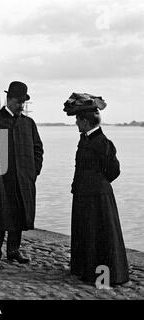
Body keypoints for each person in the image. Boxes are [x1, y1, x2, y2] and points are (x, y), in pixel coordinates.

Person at [0, 81, 44, 269]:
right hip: (1, 178)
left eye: (24, 102)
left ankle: (13, 250)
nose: (22, 106)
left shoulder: (28, 123)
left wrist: (33, 171)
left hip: (24, 179)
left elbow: (38, 149)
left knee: (19, 214)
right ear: (9, 99)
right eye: (19, 102)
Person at [63, 93, 129, 285]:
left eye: (78, 120)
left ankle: (103, 275)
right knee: (88, 233)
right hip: (85, 194)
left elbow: (114, 171)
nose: (76, 123)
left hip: (98, 197)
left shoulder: (101, 142)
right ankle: (85, 269)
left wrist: (97, 183)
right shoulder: (87, 139)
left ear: (85, 121)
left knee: (98, 236)